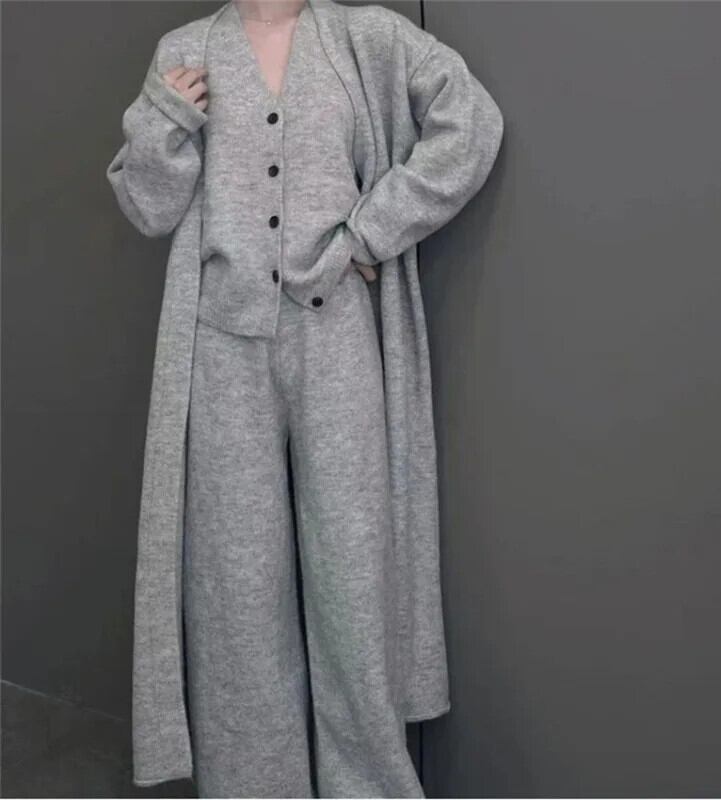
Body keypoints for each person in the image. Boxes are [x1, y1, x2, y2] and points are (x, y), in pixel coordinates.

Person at [106, 0, 504, 796]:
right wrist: (162, 120)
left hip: (337, 341)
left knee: (353, 579)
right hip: (221, 347)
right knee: (234, 589)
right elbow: (149, 207)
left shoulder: (366, 37)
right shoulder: (186, 48)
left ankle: (368, 785)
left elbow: (472, 124)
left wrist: (369, 231)